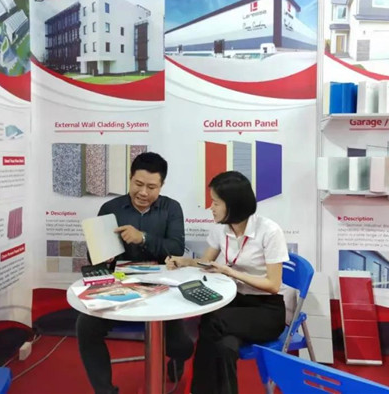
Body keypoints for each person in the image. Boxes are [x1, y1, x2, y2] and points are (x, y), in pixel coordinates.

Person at [77, 152, 194, 394]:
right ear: (130, 179)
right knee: (85, 326)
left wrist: (143, 238)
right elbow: (94, 256)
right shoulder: (110, 208)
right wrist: (101, 255)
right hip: (120, 286)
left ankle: (175, 361)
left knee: (183, 347)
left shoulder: (171, 208)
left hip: (163, 289)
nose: (143, 192)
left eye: (151, 187)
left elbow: (176, 248)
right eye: (138, 184)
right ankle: (105, 391)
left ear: (161, 185)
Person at [166, 171, 289, 394]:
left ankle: (198, 391)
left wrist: (230, 272)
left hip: (266, 310)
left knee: (212, 320)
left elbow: (273, 284)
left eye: (215, 203)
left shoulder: (269, 231)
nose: (211, 208)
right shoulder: (221, 228)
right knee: (225, 346)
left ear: (233, 204)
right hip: (235, 304)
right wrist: (184, 262)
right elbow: (206, 262)